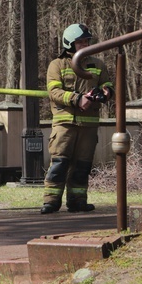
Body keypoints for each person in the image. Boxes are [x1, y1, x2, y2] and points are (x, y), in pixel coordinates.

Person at [41, 23, 113, 214]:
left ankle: (78, 201)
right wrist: (77, 99)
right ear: (70, 44)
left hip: (88, 126)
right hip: (64, 124)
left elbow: (108, 84)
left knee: (82, 165)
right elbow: (54, 91)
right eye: (80, 42)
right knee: (59, 163)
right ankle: (51, 202)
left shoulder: (98, 64)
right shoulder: (57, 65)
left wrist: (105, 93)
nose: (85, 44)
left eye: (87, 41)